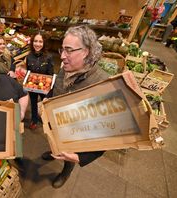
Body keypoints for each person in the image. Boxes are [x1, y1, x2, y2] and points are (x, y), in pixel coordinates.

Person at [41, 25, 109, 188]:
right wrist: (46, 100)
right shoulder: (67, 67)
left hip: (76, 133)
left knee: (68, 153)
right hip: (56, 123)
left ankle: (66, 171)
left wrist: (81, 158)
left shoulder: (103, 84)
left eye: (69, 50)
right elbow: (57, 86)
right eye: (62, 50)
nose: (63, 56)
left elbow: (109, 131)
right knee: (54, 142)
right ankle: (54, 151)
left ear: (86, 51)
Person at [26, 32, 54, 130]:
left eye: (40, 42)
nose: (37, 44)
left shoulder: (48, 57)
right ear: (32, 42)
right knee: (33, 102)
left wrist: (49, 87)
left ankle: (46, 119)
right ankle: (34, 119)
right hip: (32, 85)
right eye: (35, 41)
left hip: (44, 85)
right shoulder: (29, 56)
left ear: (44, 43)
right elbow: (28, 71)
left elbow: (51, 73)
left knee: (45, 102)